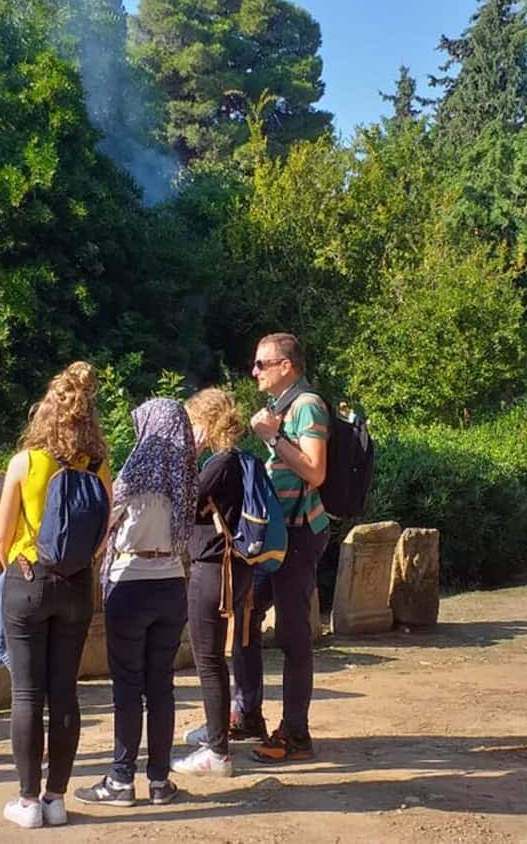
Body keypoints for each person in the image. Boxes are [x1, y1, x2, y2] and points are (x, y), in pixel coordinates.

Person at [0, 361, 112, 829]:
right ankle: (56, 798)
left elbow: (1, 536)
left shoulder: (25, 463)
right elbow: (103, 532)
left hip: (29, 578)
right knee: (64, 692)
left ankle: (27, 802)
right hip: (77, 584)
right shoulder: (98, 467)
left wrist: (19, 569)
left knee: (26, 693)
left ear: (45, 413)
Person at [75, 398, 196, 808]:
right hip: (172, 582)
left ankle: (121, 779)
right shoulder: (185, 476)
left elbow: (102, 523)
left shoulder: (134, 472)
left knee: (127, 686)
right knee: (161, 686)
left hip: (130, 581)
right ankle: (159, 781)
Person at [233, 333, 329, 763]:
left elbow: (315, 471)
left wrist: (273, 438)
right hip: (276, 534)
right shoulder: (282, 405)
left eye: (262, 363)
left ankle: (295, 734)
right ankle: (247, 714)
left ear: (286, 366)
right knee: (245, 616)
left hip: (299, 534)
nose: (254, 371)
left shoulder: (307, 404)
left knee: (293, 633)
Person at [173, 388, 251, 777]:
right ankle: (216, 732)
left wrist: (189, 455)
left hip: (214, 568)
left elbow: (181, 501)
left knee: (208, 658)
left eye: (192, 423)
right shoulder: (235, 460)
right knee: (213, 657)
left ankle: (217, 752)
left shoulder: (220, 463)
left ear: (207, 422)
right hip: (229, 566)